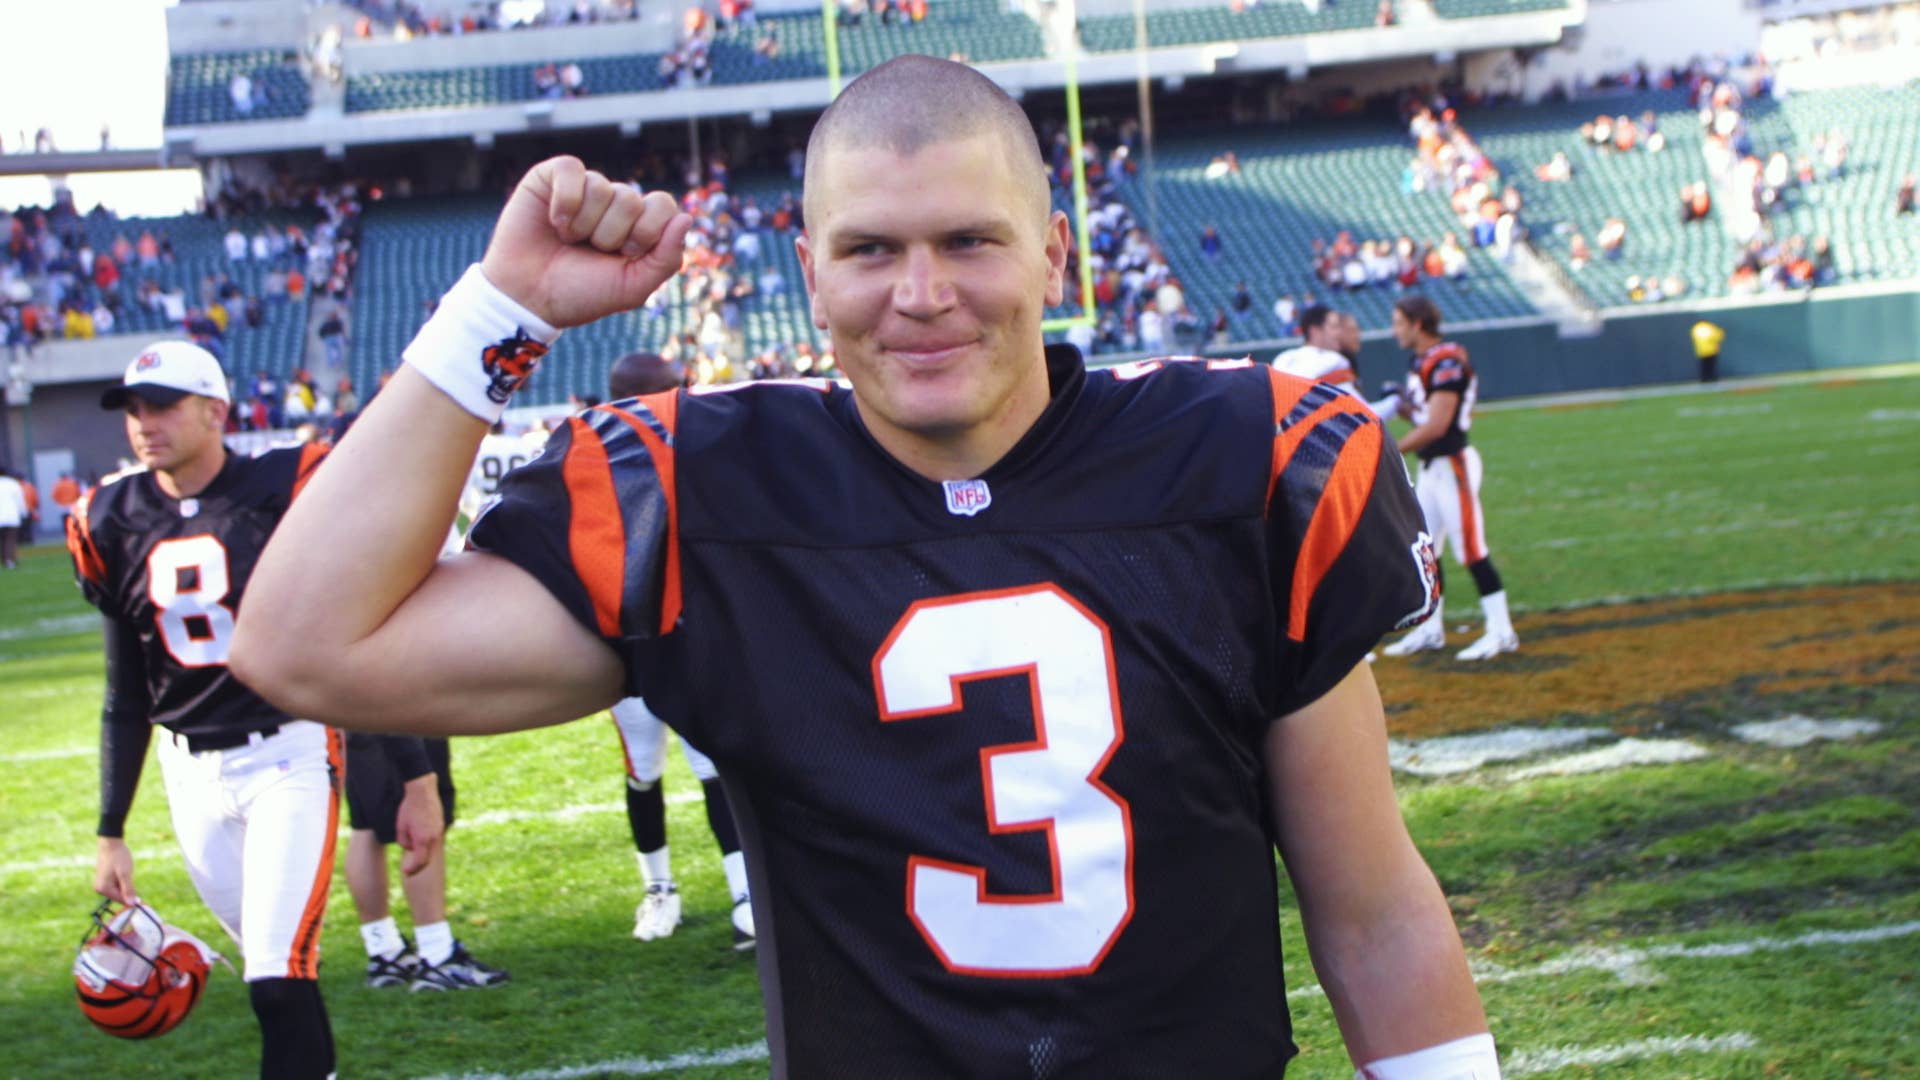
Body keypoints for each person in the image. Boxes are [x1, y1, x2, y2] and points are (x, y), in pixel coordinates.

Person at [234, 56, 1494, 1077]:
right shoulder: (706, 491)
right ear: (809, 274)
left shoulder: (1241, 466)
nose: (923, 293)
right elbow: (302, 645)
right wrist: (499, 310)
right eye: (872, 250)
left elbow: (1372, 907)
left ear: (1057, 253)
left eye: (969, 240)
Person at [65, 341, 336, 1078]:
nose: (144, 422)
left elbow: (355, 623)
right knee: (272, 974)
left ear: (214, 411)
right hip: (190, 776)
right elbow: (125, 693)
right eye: (133, 408)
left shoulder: (288, 484)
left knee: (280, 974)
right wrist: (110, 831)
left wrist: (406, 771)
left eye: (162, 405)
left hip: (287, 753)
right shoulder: (111, 517)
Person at [603, 351, 755, 948]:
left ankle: (744, 890)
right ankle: (659, 887)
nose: (687, 397)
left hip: (689, 638)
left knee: (713, 767)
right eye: (675, 390)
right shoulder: (593, 458)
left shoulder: (698, 450)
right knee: (644, 770)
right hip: (629, 645)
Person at [1376, 295, 1520, 662]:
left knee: (1471, 549)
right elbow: (1427, 420)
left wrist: (1388, 450)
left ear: (1417, 323)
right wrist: (1405, 408)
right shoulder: (1424, 361)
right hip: (1432, 468)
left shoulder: (1446, 360)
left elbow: (1439, 425)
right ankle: (1430, 629)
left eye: (1398, 322)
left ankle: (1502, 631)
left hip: (1452, 463)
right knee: (1427, 552)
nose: (1394, 330)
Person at [344, 733, 511, 989]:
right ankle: (438, 954)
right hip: (394, 715)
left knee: (365, 824)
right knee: (422, 817)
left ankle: (385, 950)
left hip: (346, 715)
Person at [1271, 304, 1401, 420]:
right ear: (1314, 331)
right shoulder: (1334, 361)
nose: (1339, 333)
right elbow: (1367, 416)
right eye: (1333, 327)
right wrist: (1397, 400)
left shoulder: (1283, 359)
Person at [0, 467, 28, 568]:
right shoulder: (13, 484)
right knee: (10, 539)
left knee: (2, 540)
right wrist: (24, 513)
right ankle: (9, 560)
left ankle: (5, 559)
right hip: (12, 516)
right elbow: (20, 500)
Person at [1691, 319, 1725, 384]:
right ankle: (1713, 378)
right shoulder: (1710, 327)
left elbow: (1694, 338)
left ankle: (1704, 379)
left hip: (1701, 350)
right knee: (1711, 366)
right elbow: (1718, 336)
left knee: (1704, 367)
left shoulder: (1696, 328)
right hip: (1711, 350)